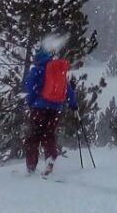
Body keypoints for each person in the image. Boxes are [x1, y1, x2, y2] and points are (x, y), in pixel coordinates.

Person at [23, 41, 77, 177]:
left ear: (37, 58)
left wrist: (30, 102)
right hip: (56, 108)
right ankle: (50, 159)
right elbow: (67, 89)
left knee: (33, 138)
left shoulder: (36, 70)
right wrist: (73, 103)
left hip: (39, 108)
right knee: (49, 135)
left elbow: (30, 89)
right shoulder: (57, 70)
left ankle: (31, 167)